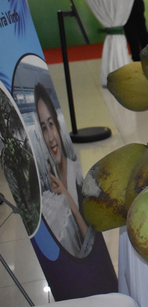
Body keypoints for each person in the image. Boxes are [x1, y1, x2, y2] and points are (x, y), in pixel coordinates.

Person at [34, 83, 88, 257]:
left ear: (58, 125)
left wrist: (66, 196)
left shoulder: (77, 176)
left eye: (51, 124)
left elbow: (91, 239)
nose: (50, 138)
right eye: (44, 128)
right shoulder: (52, 179)